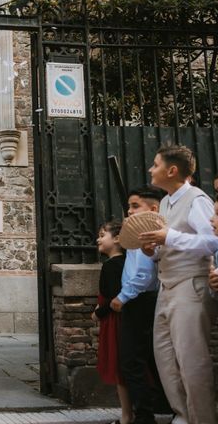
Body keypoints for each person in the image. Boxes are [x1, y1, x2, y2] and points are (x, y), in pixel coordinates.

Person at [138, 145, 217, 424]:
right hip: (166, 286)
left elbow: (212, 242)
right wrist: (154, 250)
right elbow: (169, 242)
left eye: (155, 164)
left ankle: (204, 420)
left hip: (190, 286)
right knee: (166, 360)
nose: (151, 168)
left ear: (172, 171)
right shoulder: (166, 202)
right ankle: (182, 416)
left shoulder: (198, 200)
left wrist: (168, 238)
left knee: (192, 360)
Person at [109, 186, 169, 424]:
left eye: (135, 206)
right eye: (129, 206)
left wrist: (122, 297)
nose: (129, 211)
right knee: (145, 359)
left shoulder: (149, 235)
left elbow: (144, 275)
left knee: (132, 361)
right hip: (140, 301)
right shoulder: (139, 235)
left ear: (153, 209)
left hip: (140, 301)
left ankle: (144, 415)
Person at [91, 219, 131, 424]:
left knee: (120, 368)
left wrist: (98, 313)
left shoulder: (111, 265)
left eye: (102, 234)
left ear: (117, 238)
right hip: (122, 318)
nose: (98, 239)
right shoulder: (127, 262)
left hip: (115, 320)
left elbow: (114, 296)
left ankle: (126, 416)